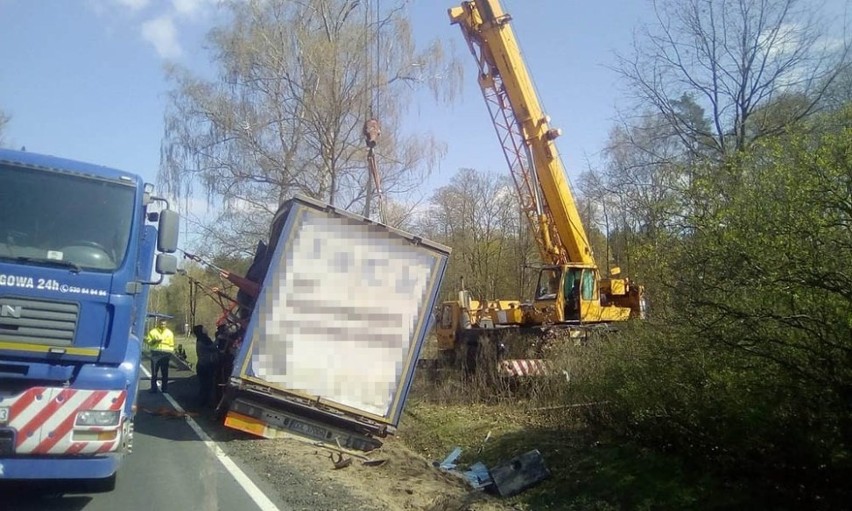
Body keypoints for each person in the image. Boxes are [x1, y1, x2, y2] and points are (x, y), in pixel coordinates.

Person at [145, 319, 175, 393]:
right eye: (161, 324)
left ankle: (164, 389)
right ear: (158, 324)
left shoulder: (169, 333)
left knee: (165, 373)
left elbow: (172, 345)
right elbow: (148, 342)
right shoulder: (153, 332)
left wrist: (170, 354)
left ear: (166, 324)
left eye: (164, 324)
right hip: (155, 354)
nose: (162, 326)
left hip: (165, 355)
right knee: (154, 373)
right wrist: (154, 341)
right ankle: (153, 389)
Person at [193, 324, 219, 407]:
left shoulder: (202, 340)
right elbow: (213, 347)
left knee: (205, 385)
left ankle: (203, 401)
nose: (206, 329)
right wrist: (218, 339)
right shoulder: (202, 341)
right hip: (205, 366)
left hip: (203, 365)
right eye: (204, 328)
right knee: (206, 385)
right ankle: (203, 403)